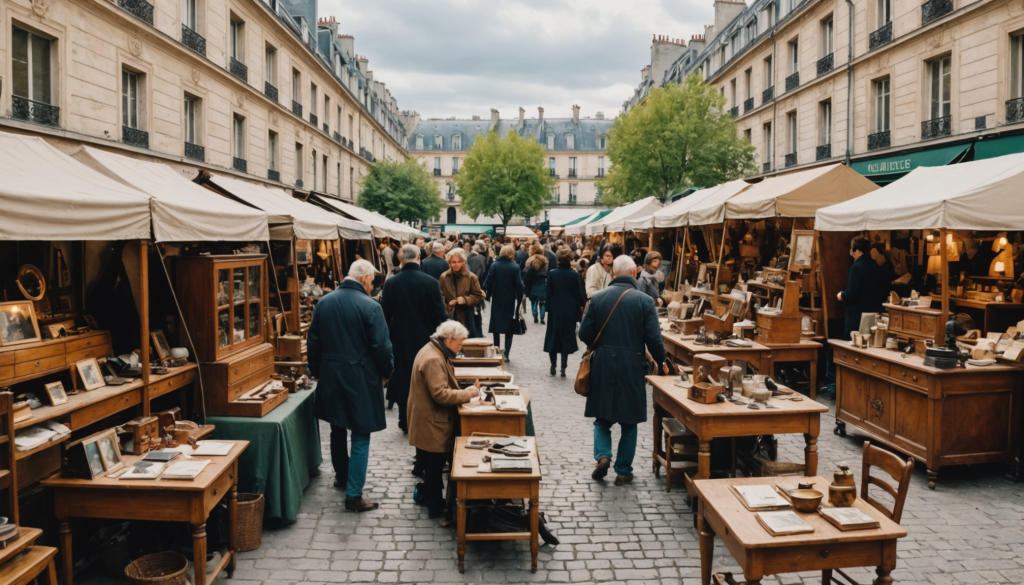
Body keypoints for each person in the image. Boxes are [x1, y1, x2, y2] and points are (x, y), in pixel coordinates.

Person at [308, 260, 394, 512]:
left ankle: (342, 477)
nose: (373, 284)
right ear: (366, 278)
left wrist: (316, 371)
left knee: (337, 428)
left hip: (332, 374)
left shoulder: (325, 302)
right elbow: (382, 346)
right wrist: (387, 372)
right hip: (360, 376)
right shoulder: (370, 305)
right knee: (360, 434)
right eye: (372, 280)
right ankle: (353, 494)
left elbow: (313, 342)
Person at [579, 255, 668, 486]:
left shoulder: (598, 299)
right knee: (629, 422)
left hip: (603, 363)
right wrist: (662, 360)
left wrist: (602, 345)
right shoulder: (645, 301)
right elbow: (654, 339)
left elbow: (584, 334)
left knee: (602, 419)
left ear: (614, 274)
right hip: (632, 364)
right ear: (633, 273)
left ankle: (603, 455)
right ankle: (623, 470)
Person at [408, 321, 480, 519]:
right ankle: (436, 507)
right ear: (448, 339)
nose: (460, 347)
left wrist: (463, 389)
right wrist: (468, 394)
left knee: (434, 465)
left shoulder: (436, 351)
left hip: (431, 419)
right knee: (435, 466)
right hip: (433, 422)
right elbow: (440, 394)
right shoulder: (434, 358)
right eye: (459, 343)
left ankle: (437, 503)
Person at [381, 245, 450, 433]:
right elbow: (440, 313)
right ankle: (423, 418)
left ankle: (404, 419)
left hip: (399, 338)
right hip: (425, 338)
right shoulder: (430, 282)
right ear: (419, 257)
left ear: (401, 258)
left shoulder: (392, 283)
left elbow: (384, 315)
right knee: (424, 377)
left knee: (403, 377)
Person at [545, 248, 587, 377]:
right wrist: (582, 304)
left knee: (553, 336)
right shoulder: (574, 275)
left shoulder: (552, 273)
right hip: (569, 309)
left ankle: (553, 364)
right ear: (570, 259)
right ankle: (563, 366)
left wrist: (548, 308)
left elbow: (548, 293)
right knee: (566, 336)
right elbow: (580, 294)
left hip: (555, 309)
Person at [483, 245, 525, 360]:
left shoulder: (495, 265)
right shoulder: (515, 267)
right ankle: (506, 353)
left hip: (497, 299)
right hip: (510, 299)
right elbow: (519, 285)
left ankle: (496, 350)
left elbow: (488, 280)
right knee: (509, 327)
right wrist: (520, 299)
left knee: (496, 327)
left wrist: (484, 292)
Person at [838, 236, 884, 338]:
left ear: (858, 251)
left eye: (852, 250)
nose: (851, 252)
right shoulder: (876, 266)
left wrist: (842, 295)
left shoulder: (856, 267)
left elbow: (852, 291)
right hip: (873, 312)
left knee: (854, 341)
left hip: (857, 314)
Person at [438, 248, 485, 338]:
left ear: (463, 262)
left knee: (466, 342)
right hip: (450, 315)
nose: (456, 264)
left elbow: (478, 296)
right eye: (453, 262)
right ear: (449, 263)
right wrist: (446, 304)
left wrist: (465, 299)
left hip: (466, 315)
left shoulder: (471, 277)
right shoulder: (444, 277)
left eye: (459, 261)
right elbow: (440, 295)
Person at [522, 244, 549, 324]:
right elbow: (546, 272)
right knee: (542, 301)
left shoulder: (529, 260)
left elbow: (525, 273)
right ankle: (542, 318)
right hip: (542, 283)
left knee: (533, 301)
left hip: (533, 283)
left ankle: (535, 316)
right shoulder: (545, 260)